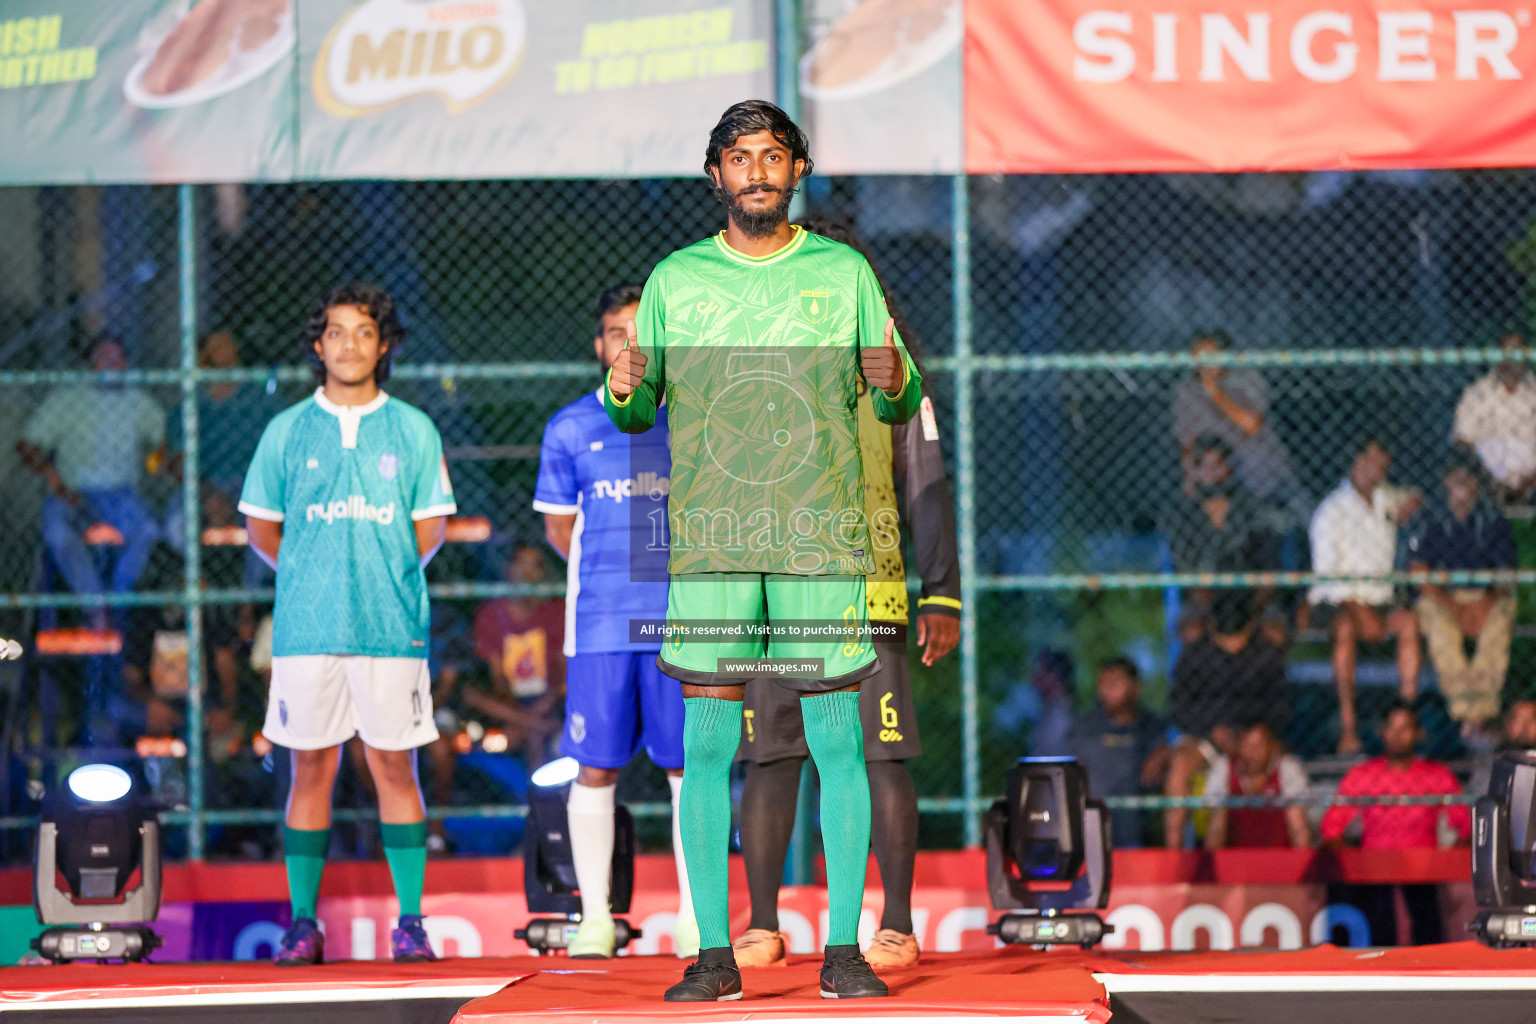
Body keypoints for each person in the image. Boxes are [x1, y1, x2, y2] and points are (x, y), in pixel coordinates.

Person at [605, 100, 921, 1001]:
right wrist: (622, 385)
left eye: (772, 157)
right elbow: (634, 408)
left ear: (795, 172)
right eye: (739, 157)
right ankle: (715, 955)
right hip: (713, 546)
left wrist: (896, 383)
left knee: (837, 744)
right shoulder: (674, 281)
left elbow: (897, 401)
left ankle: (845, 952)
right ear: (716, 175)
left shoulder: (844, 272)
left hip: (820, 542)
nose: (756, 171)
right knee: (710, 745)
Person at [733, 215, 960, 971]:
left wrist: (943, 593)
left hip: (868, 592)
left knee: (880, 757)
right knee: (770, 758)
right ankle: (762, 926)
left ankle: (895, 923)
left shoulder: (890, 368)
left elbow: (924, 479)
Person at [239, 283, 455, 965]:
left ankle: (412, 923)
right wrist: (315, 572)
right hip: (307, 629)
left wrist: (380, 573)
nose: (349, 345)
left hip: (391, 627)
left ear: (383, 343)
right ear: (317, 344)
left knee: (395, 765)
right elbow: (261, 528)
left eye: (364, 332)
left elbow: (430, 527)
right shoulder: (287, 430)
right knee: (311, 769)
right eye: (336, 332)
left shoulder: (413, 428)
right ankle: (303, 923)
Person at [531, 282, 694, 959]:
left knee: (691, 770)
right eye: (616, 332)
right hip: (599, 626)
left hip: (684, 623)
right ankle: (595, 919)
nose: (628, 344)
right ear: (600, 345)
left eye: (640, 331)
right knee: (593, 768)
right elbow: (559, 528)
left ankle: (697, 916)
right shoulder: (570, 427)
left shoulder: (690, 420)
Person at [19, 335, 166, 615]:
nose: (110, 364)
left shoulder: (138, 400)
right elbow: (27, 444)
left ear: (125, 363)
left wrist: (155, 462)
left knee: (147, 530)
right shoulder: (67, 397)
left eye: (116, 358)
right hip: (72, 491)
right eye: (103, 357)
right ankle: (96, 607)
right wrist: (51, 475)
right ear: (91, 363)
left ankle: (119, 598)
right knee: (57, 533)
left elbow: (162, 441)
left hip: (121, 492)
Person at [1307, 438, 1423, 755]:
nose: (1377, 468)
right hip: (1338, 601)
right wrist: (1360, 611)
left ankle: (1406, 715)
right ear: (1355, 461)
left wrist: (1412, 502)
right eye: (1370, 460)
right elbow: (1328, 577)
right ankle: (1348, 726)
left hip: (1381, 599)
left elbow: (1413, 496)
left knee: (1409, 621)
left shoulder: (1385, 498)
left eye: (1382, 462)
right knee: (1345, 629)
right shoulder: (1331, 510)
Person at [1320, 704, 1470, 944]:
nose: (1399, 734)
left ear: (1418, 733)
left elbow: (1465, 824)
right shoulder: (1364, 775)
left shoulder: (1435, 774)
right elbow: (1332, 827)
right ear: (1382, 732)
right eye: (1392, 727)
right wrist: (1349, 865)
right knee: (1379, 925)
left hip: (1423, 868)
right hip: (1375, 869)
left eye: (1406, 727)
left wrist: (1449, 862)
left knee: (1428, 928)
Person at [1165, 590, 1289, 848]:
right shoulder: (1195, 654)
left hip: (1256, 738)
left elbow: (1282, 707)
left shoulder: (1266, 654)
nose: (1232, 648)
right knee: (1179, 764)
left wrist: (1253, 734)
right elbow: (1178, 707)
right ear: (1211, 626)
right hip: (1208, 738)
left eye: (1238, 640)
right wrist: (1212, 730)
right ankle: (1174, 855)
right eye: (1225, 641)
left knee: (1277, 761)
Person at [1407, 461, 1517, 735]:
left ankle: (1479, 713)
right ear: (1445, 482)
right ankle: (1467, 713)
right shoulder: (1429, 516)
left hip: (1484, 594)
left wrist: (1485, 602)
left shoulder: (1492, 516)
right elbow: (1418, 572)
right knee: (1441, 630)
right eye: (1456, 478)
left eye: (1468, 478)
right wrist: (1455, 607)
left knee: (1500, 620)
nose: (1462, 485)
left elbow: (1506, 571)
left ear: (1478, 484)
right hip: (1442, 595)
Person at [1172, 330, 1301, 508]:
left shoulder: (1247, 378)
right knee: (1200, 474)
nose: (1205, 363)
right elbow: (1187, 442)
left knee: (1257, 463)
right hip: (1216, 464)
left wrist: (1215, 393)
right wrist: (1191, 476)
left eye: (1211, 356)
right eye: (1198, 356)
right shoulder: (1186, 389)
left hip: (1252, 460)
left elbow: (1251, 425)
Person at [468, 544, 566, 768]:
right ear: (508, 568)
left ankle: (540, 792)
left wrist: (539, 710)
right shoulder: (491, 613)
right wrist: (523, 716)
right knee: (472, 694)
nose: (527, 573)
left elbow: (563, 669)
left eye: (534, 567)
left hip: (549, 696)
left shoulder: (555, 609)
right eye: (520, 564)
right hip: (509, 700)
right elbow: (497, 677)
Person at [1067, 658, 1170, 848]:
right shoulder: (1086, 728)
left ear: (1135, 688)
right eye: (1102, 685)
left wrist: (1164, 754)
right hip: (1092, 828)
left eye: (1114, 683)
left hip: (1140, 828)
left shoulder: (1153, 728)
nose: (1106, 691)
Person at [1453, 332, 1536, 504]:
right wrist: (1488, 480)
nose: (1515, 358)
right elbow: (1462, 441)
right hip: (1486, 483)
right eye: (1509, 351)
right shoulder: (1476, 394)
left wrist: (1530, 482)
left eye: (1520, 351)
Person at [1203, 722, 1311, 849]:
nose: (1252, 753)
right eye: (1247, 746)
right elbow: (1216, 827)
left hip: (1280, 858)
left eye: (1258, 746)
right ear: (1238, 746)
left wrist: (1301, 864)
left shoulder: (1287, 769)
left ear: (1271, 746)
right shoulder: (1224, 769)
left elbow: (1298, 828)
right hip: (1236, 859)